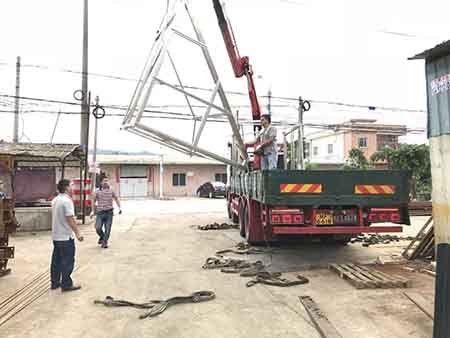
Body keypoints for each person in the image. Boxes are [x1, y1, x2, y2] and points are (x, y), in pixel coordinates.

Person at [51, 179, 83, 292]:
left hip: (56, 236)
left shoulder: (55, 200)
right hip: (65, 236)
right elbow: (70, 219)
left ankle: (55, 282)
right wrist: (78, 233)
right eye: (71, 186)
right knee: (68, 261)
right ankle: (66, 284)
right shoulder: (67, 201)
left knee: (56, 260)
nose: (73, 188)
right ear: (66, 188)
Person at [92, 177, 121, 249]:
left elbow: (116, 198)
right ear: (101, 182)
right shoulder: (97, 191)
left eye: (107, 181)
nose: (105, 182)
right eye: (104, 181)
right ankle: (102, 236)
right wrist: (92, 211)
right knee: (97, 228)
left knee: (108, 229)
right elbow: (93, 201)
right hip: (100, 213)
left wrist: (119, 207)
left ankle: (104, 243)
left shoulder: (112, 190)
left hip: (109, 213)